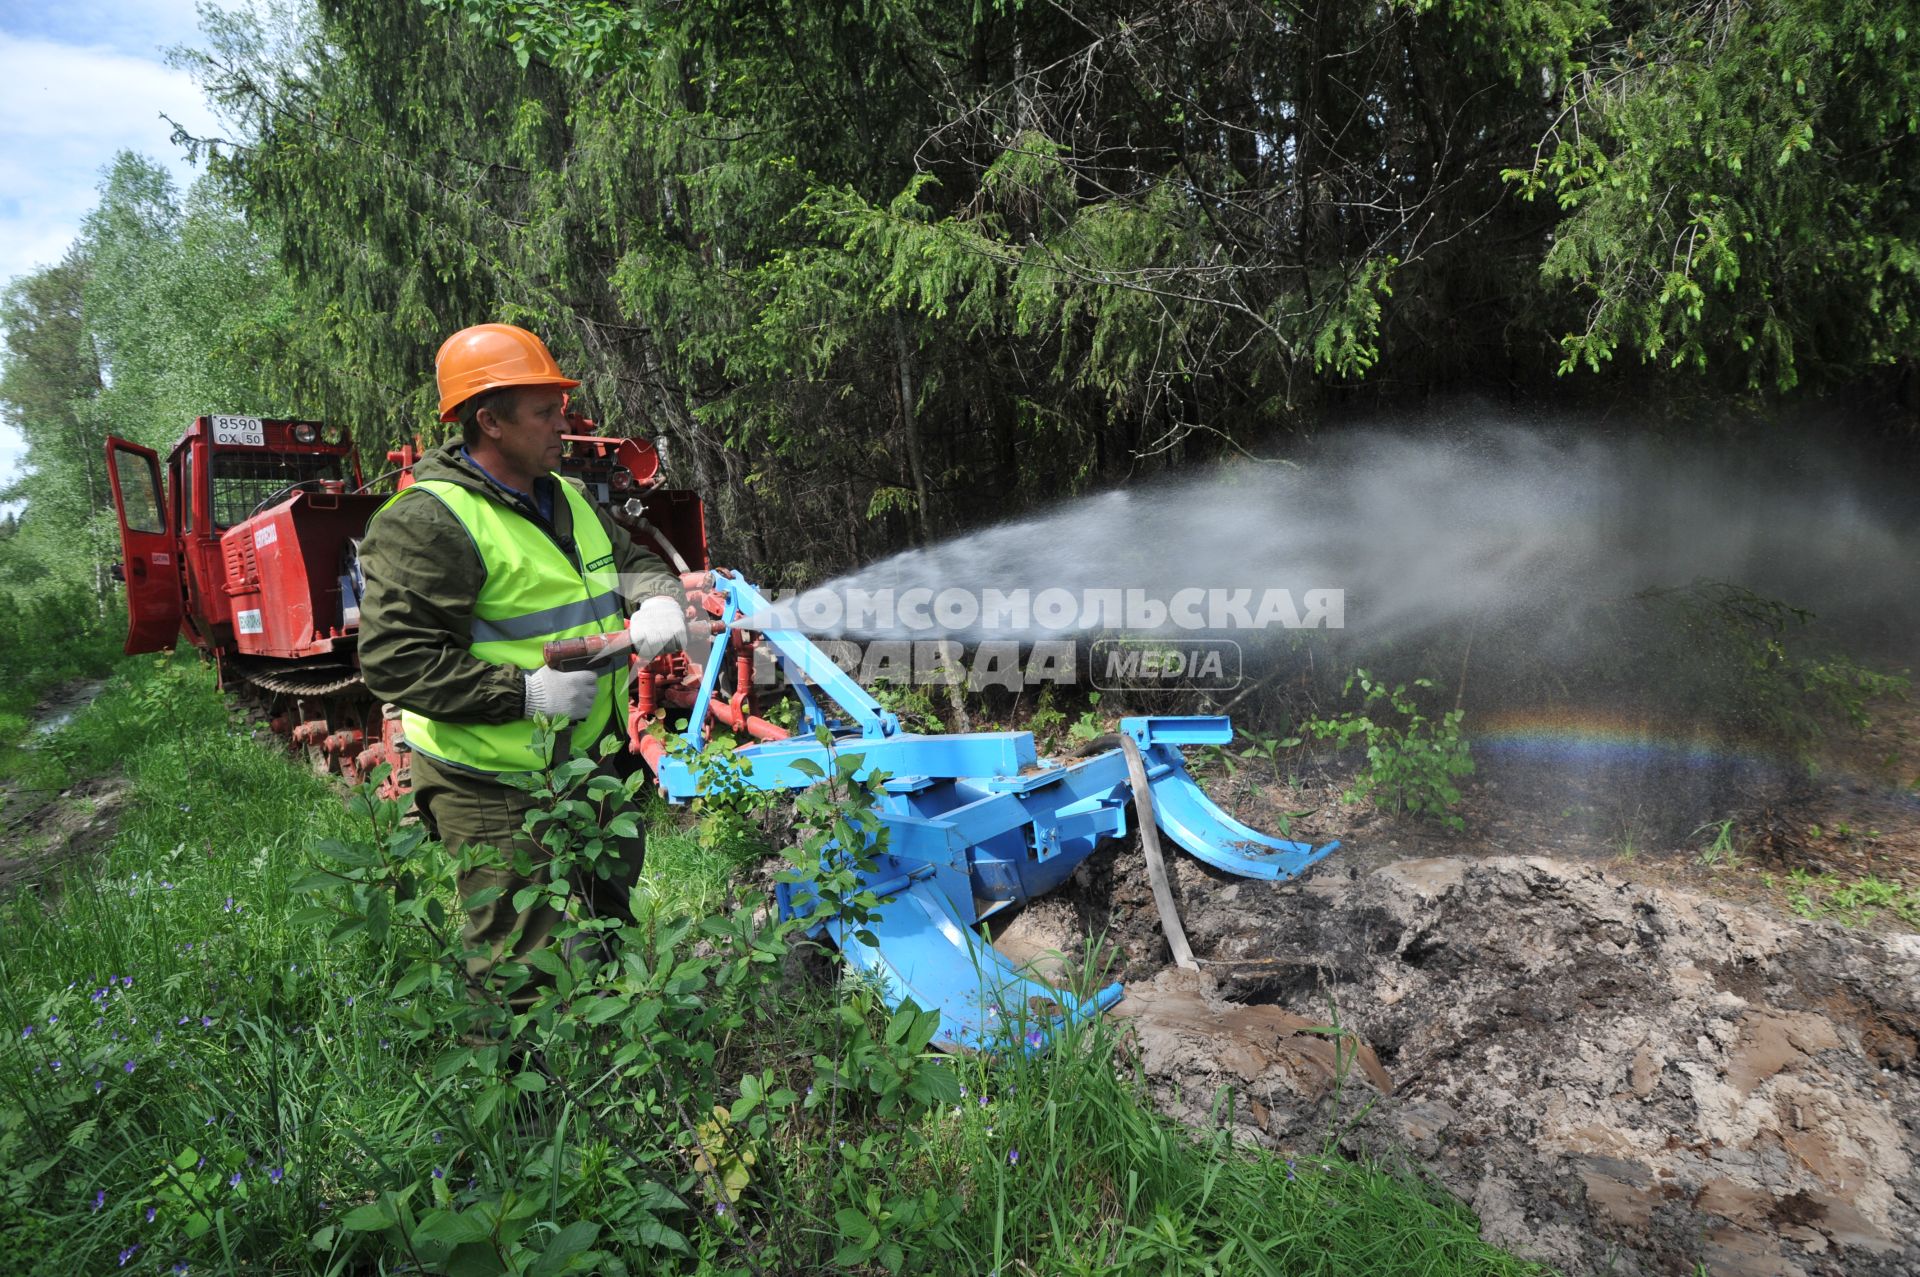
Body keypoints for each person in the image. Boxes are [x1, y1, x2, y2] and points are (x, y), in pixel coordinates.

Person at [358, 322, 689, 1003]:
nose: (561, 424)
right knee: (522, 967)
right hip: (491, 783)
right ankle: (528, 1105)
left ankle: (618, 1072)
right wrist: (525, 695)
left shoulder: (563, 495)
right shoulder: (427, 521)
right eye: (544, 411)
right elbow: (393, 661)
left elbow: (629, 564)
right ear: (490, 421)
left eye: (559, 407)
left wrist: (658, 598)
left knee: (605, 927)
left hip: (588, 762)